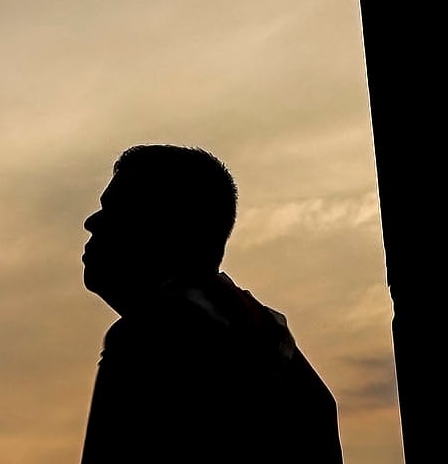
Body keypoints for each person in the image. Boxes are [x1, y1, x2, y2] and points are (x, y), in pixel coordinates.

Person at [74, 144, 342, 464]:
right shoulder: (276, 350)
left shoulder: (150, 338)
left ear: (163, 228)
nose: (92, 222)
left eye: (116, 210)